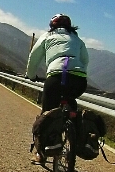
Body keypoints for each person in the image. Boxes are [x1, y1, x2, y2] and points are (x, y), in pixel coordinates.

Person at [25, 14, 89, 162]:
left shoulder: (47, 36)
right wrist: (80, 73)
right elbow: (85, 60)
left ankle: (41, 154)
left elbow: (33, 57)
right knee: (71, 104)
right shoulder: (77, 40)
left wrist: (31, 75)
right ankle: (75, 144)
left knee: (47, 113)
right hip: (79, 80)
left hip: (56, 77)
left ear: (52, 25)